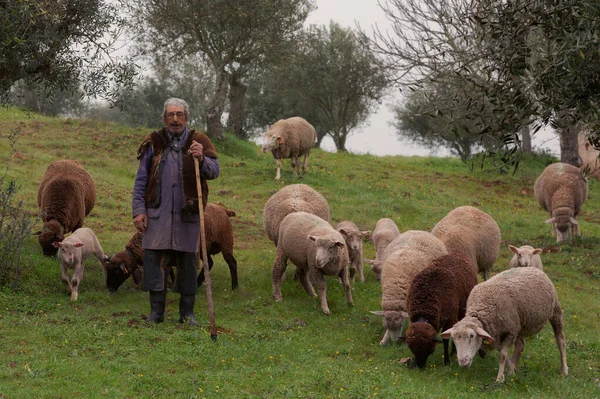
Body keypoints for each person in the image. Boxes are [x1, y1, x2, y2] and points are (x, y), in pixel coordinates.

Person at [132, 98, 219, 325]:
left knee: (189, 262)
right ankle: (156, 314)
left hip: (186, 215)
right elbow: (141, 180)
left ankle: (186, 314)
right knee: (153, 260)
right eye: (170, 115)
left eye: (179, 114)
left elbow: (214, 171)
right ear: (164, 118)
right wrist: (139, 210)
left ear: (186, 117)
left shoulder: (199, 141)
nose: (175, 119)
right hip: (157, 215)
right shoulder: (154, 142)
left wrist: (201, 159)